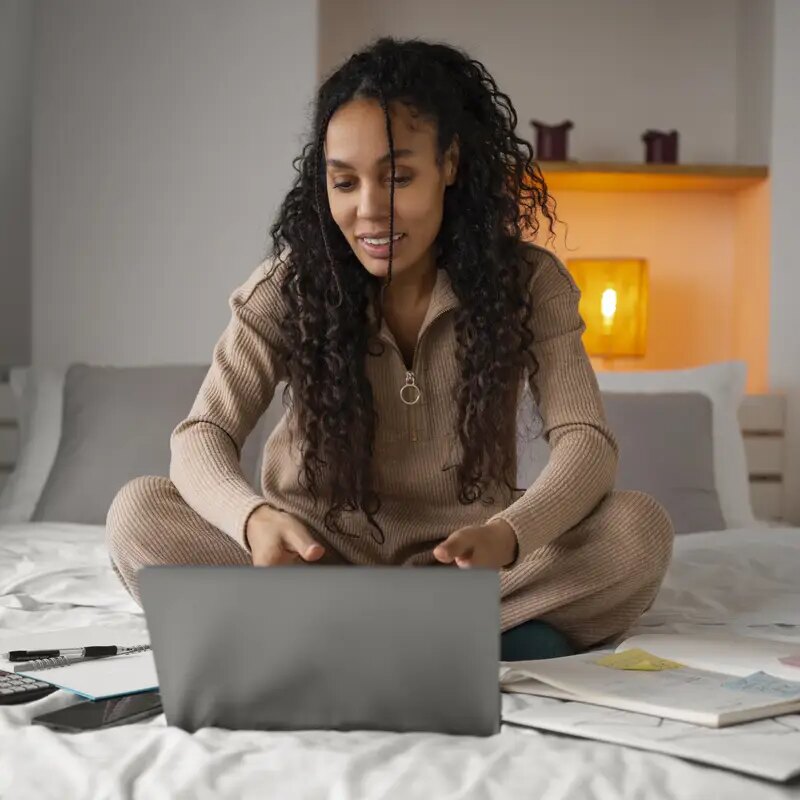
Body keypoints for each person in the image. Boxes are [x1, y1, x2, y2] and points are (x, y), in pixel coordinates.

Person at [106, 37, 674, 661]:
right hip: (312, 563)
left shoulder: (530, 284)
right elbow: (202, 435)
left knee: (636, 529)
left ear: (449, 164)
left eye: (398, 177)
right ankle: (469, 637)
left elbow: (586, 441)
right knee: (137, 511)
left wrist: (510, 535)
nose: (370, 210)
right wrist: (252, 520)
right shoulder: (286, 288)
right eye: (344, 182)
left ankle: (329, 635)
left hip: (465, 569)